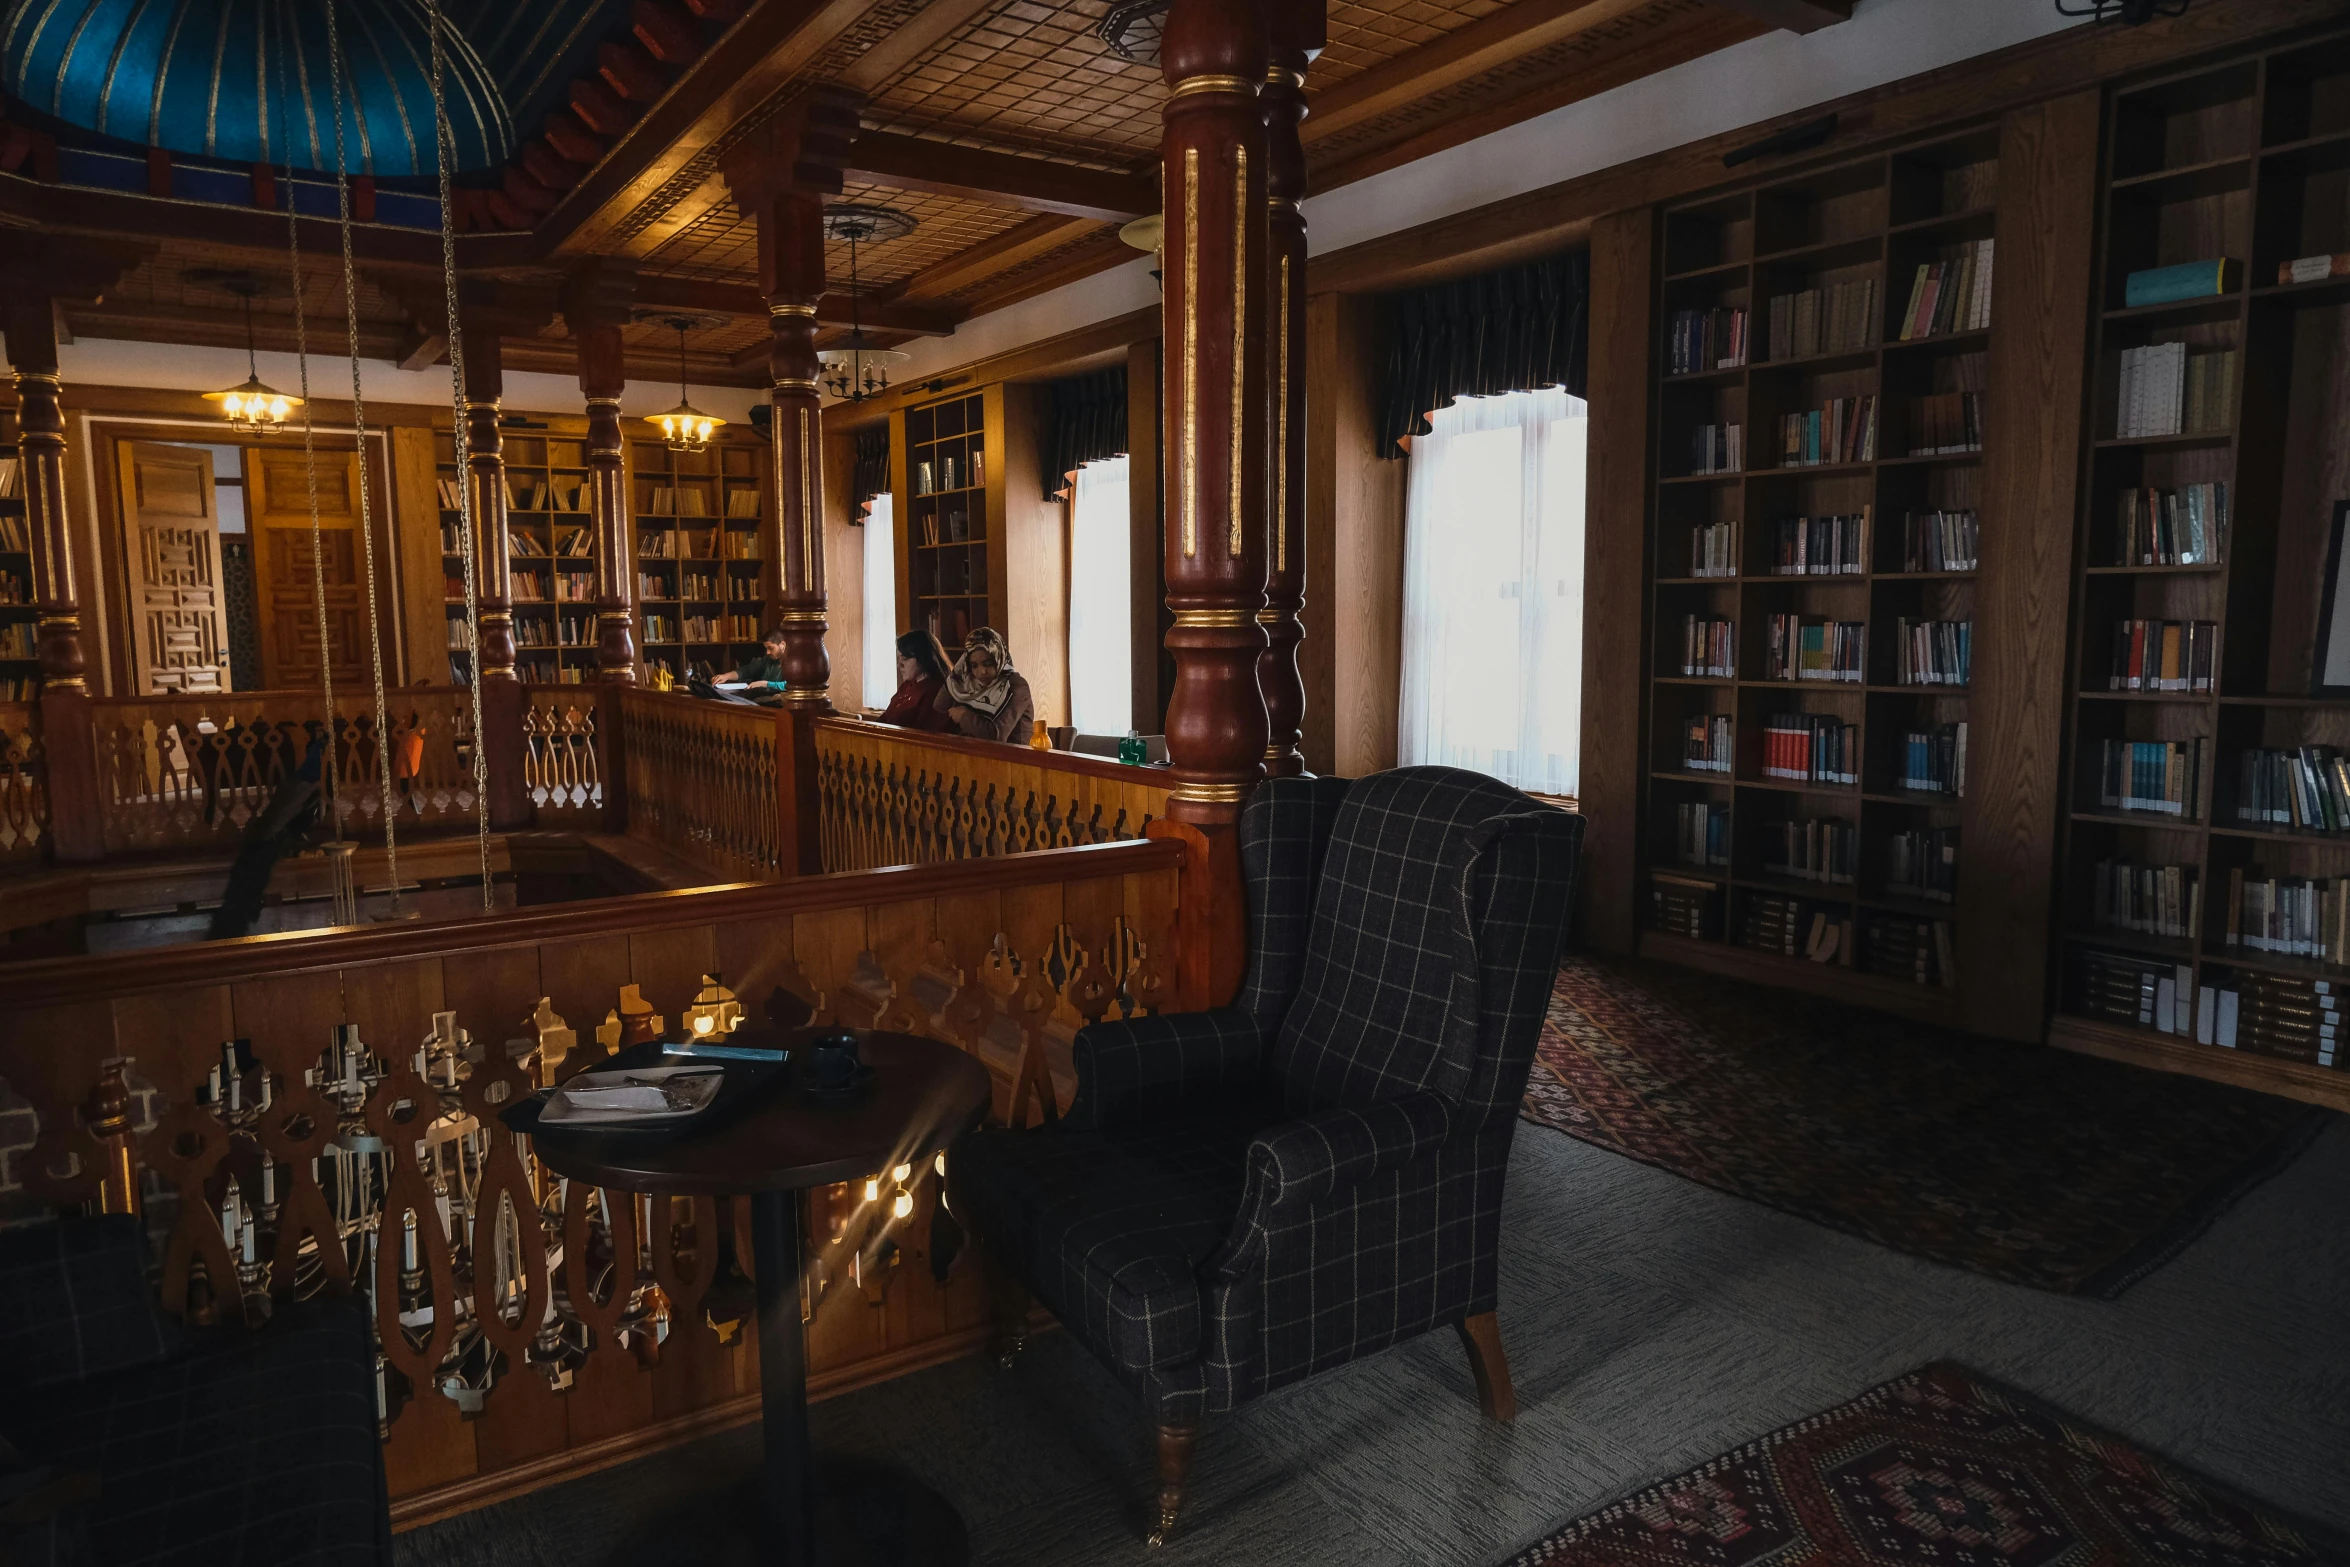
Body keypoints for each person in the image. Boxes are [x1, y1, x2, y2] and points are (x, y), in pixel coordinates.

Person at [935, 627, 1035, 742]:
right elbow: (939, 705)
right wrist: (959, 671)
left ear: (999, 657)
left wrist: (964, 716)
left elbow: (997, 734)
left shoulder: (1016, 685)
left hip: (1013, 756)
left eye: (987, 664)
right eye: (974, 665)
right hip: (976, 754)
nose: (982, 671)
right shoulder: (971, 683)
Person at [878, 628, 956, 732]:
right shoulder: (907, 685)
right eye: (899, 658)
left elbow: (924, 734)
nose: (899, 665)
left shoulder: (936, 691)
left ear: (923, 658)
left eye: (905, 659)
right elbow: (885, 718)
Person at [715, 626, 791, 694]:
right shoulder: (768, 659)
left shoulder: (794, 663)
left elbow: (790, 686)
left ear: (782, 645)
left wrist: (764, 684)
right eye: (766, 648)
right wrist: (726, 676)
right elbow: (747, 670)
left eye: (771, 648)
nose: (767, 652)